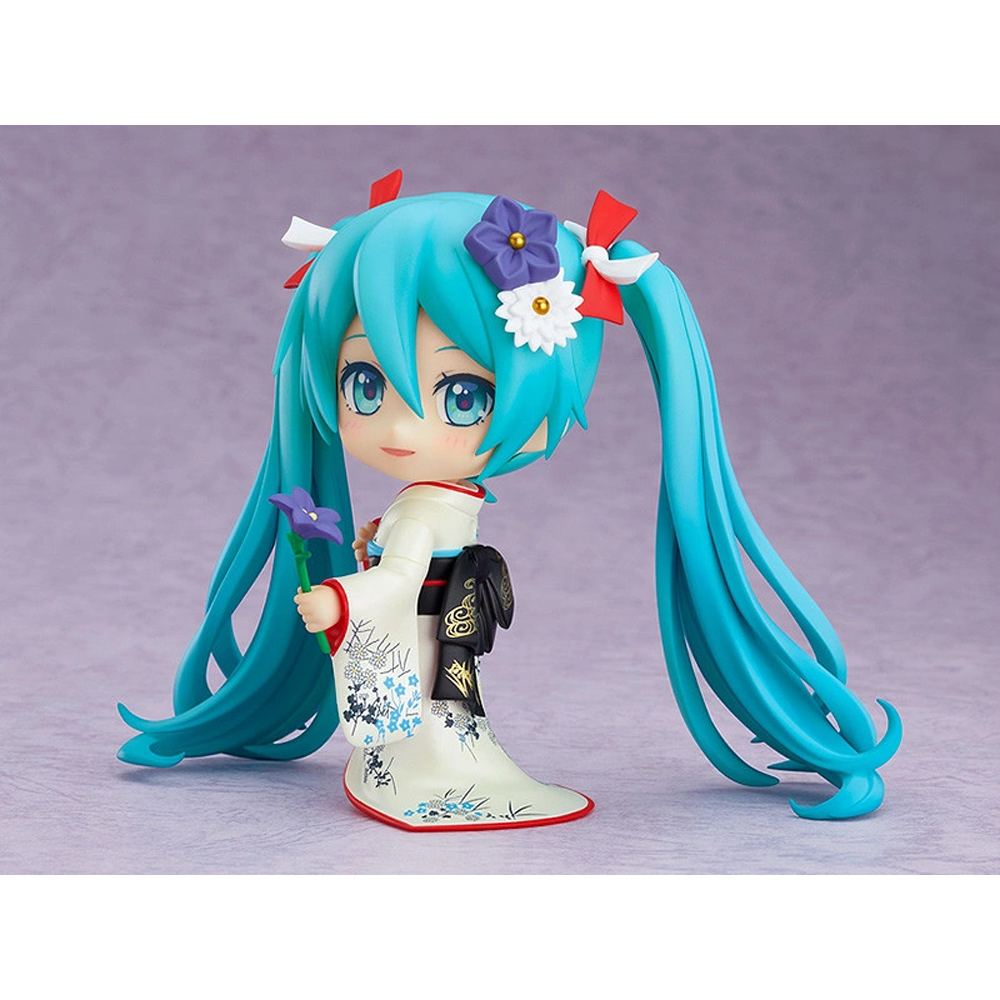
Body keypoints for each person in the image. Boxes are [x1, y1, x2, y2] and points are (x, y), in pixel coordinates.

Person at [118, 172, 901, 824]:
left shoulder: (431, 507)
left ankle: (430, 779)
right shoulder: (430, 500)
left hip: (427, 616)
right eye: (365, 385)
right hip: (436, 621)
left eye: (462, 396)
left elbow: (402, 580)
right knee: (436, 709)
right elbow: (406, 560)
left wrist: (339, 597)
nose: (401, 427)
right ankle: (411, 769)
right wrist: (376, 544)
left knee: (436, 717)